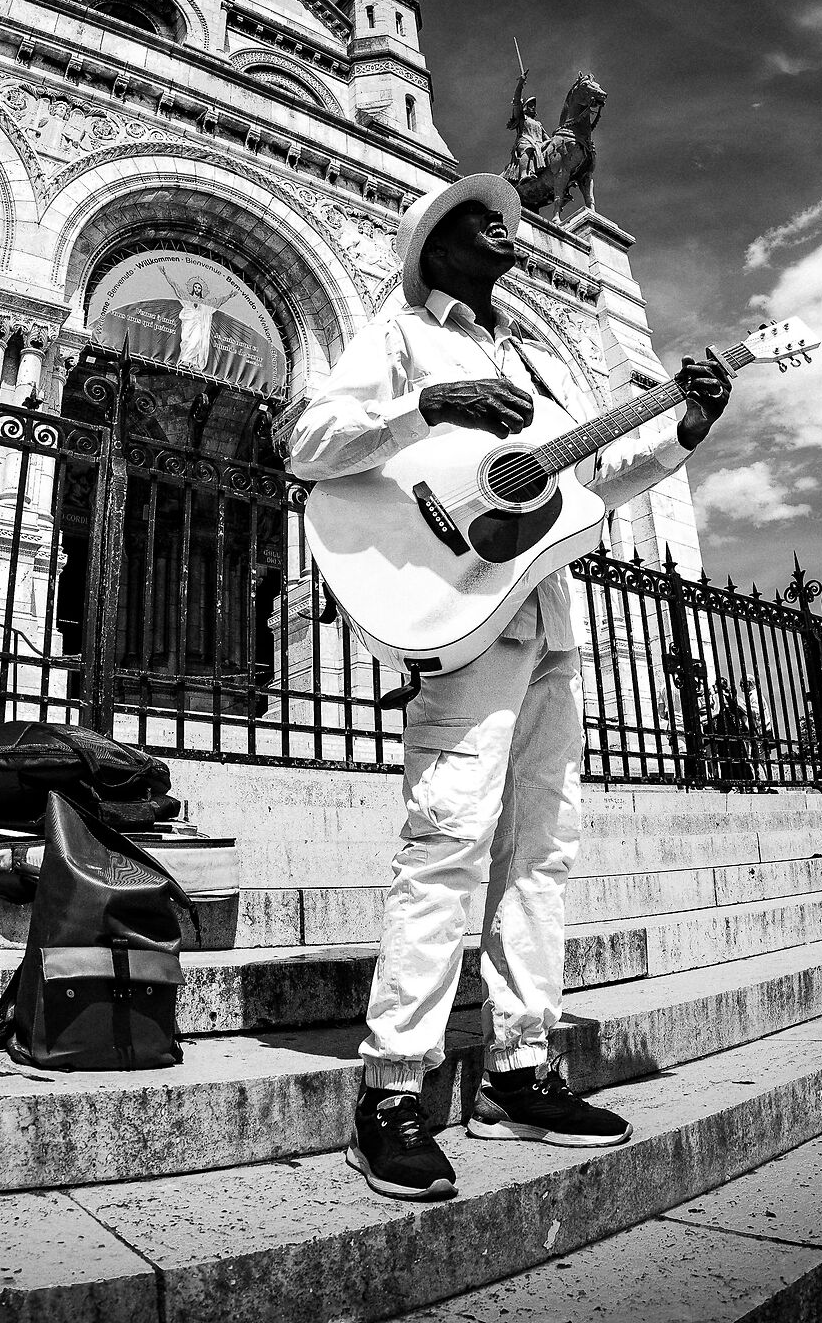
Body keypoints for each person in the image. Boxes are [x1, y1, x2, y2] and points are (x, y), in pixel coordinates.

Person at [286, 172, 731, 1201]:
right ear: (436, 243)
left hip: (548, 627)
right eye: (482, 217)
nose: (507, 226)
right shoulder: (401, 334)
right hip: (462, 627)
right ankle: (395, 1087)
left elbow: (595, 477)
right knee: (447, 844)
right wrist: (425, 407)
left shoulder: (531, 355)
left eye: (511, 219)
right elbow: (311, 444)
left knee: (542, 851)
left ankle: (519, 1069)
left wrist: (686, 426)